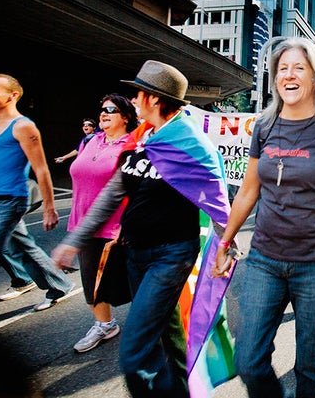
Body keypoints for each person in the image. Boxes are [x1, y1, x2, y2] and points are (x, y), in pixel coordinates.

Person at [52, 60, 231, 397]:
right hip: (135, 252)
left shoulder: (190, 143)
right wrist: (73, 241)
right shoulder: (140, 139)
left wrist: (226, 248)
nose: (133, 100)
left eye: (138, 94)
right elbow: (112, 194)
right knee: (166, 333)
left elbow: (219, 200)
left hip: (171, 255)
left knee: (134, 352)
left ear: (154, 99)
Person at [211, 37, 315, 398]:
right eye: (282, 68)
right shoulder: (265, 126)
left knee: (309, 368)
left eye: (298, 68)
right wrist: (225, 241)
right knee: (249, 360)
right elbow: (248, 191)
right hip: (264, 260)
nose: (288, 74)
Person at [0, 73, 72, 320]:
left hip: (8, 199)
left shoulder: (21, 126)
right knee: (20, 246)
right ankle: (57, 283)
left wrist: (50, 208)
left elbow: (39, 168)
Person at [67, 94, 137, 353]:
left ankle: (162, 326)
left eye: (111, 109)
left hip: (119, 227)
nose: (104, 114)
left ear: (126, 116)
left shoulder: (133, 144)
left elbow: (135, 186)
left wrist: (127, 223)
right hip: (84, 222)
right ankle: (104, 324)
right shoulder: (91, 140)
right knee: (91, 281)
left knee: (131, 282)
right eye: (102, 109)